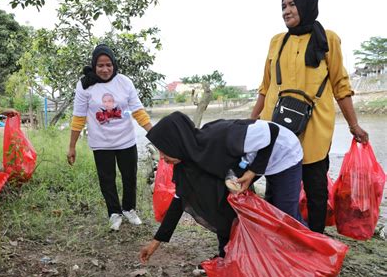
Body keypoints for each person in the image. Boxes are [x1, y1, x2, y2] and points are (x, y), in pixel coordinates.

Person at [250, 0, 369, 234]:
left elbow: (340, 86)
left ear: (307, 4)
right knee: (276, 186)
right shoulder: (276, 42)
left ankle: (315, 242)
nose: (286, 11)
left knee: (316, 190)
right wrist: (251, 122)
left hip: (314, 130)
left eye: (292, 4)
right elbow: (265, 86)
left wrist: (354, 125)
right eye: (283, 6)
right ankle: (277, 238)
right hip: (278, 128)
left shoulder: (329, 39)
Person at [139, 111, 303, 263]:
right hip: (255, 158)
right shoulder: (188, 162)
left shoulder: (221, 137)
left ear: (176, 143)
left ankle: (311, 257)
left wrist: (253, 171)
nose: (162, 157)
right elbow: (181, 199)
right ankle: (230, 254)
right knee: (262, 213)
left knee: (286, 216)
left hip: (283, 152)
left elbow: (272, 130)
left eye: (164, 150)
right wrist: (156, 242)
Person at [67, 44, 152, 231]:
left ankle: (129, 209)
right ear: (94, 65)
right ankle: (114, 213)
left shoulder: (124, 82)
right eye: (100, 65)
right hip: (101, 142)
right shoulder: (85, 85)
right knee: (107, 179)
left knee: (130, 176)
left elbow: (138, 111)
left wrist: (154, 134)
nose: (105, 69)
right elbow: (78, 117)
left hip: (126, 140)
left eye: (108, 65)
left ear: (114, 64)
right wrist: (72, 146)